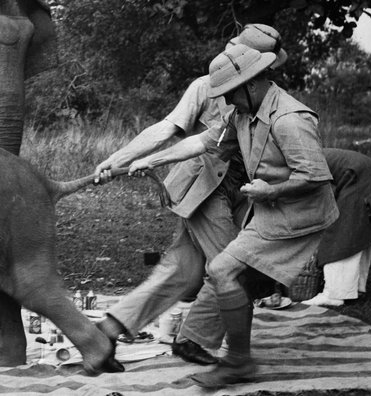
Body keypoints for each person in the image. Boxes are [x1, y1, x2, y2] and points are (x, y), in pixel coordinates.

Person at [102, 44, 339, 387]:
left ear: (253, 83)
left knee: (225, 270)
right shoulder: (240, 113)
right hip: (268, 207)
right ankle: (226, 354)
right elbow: (202, 143)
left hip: (300, 212)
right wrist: (149, 160)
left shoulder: (290, 119)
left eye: (231, 93)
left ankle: (232, 358)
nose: (226, 102)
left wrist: (270, 191)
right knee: (221, 271)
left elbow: (314, 177)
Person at [93, 24, 288, 367]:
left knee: (181, 271)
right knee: (231, 267)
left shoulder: (265, 92)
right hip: (203, 192)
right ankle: (193, 339)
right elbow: (167, 130)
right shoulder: (204, 86)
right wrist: (118, 159)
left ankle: (108, 330)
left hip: (237, 194)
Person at [301, 148, 371, 306]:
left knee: (342, 233)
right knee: (360, 231)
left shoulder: (291, 165)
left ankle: (334, 294)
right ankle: (355, 288)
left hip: (359, 176)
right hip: (369, 173)